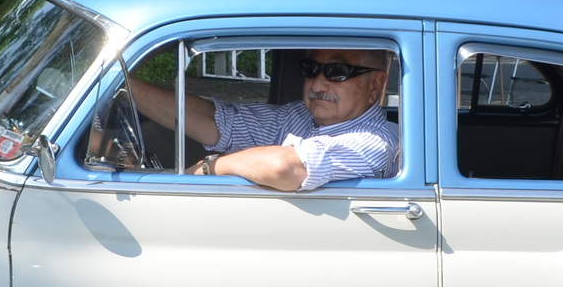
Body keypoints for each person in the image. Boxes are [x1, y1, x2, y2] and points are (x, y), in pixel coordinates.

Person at [122, 47, 397, 192]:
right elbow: (217, 121)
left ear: (375, 85)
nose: (318, 84)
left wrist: (210, 167)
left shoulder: (379, 141)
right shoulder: (299, 116)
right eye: (311, 69)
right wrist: (122, 85)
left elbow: (287, 168)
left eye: (337, 72)